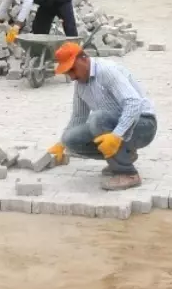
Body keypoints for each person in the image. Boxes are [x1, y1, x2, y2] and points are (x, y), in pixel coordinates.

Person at [46, 42, 157, 191]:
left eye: (72, 69)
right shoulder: (80, 84)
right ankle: (123, 156)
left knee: (97, 119)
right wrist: (61, 143)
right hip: (117, 126)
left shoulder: (107, 71)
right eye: (67, 72)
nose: (72, 76)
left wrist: (117, 135)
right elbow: (78, 117)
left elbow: (134, 103)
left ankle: (128, 174)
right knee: (70, 139)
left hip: (143, 124)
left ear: (83, 59)